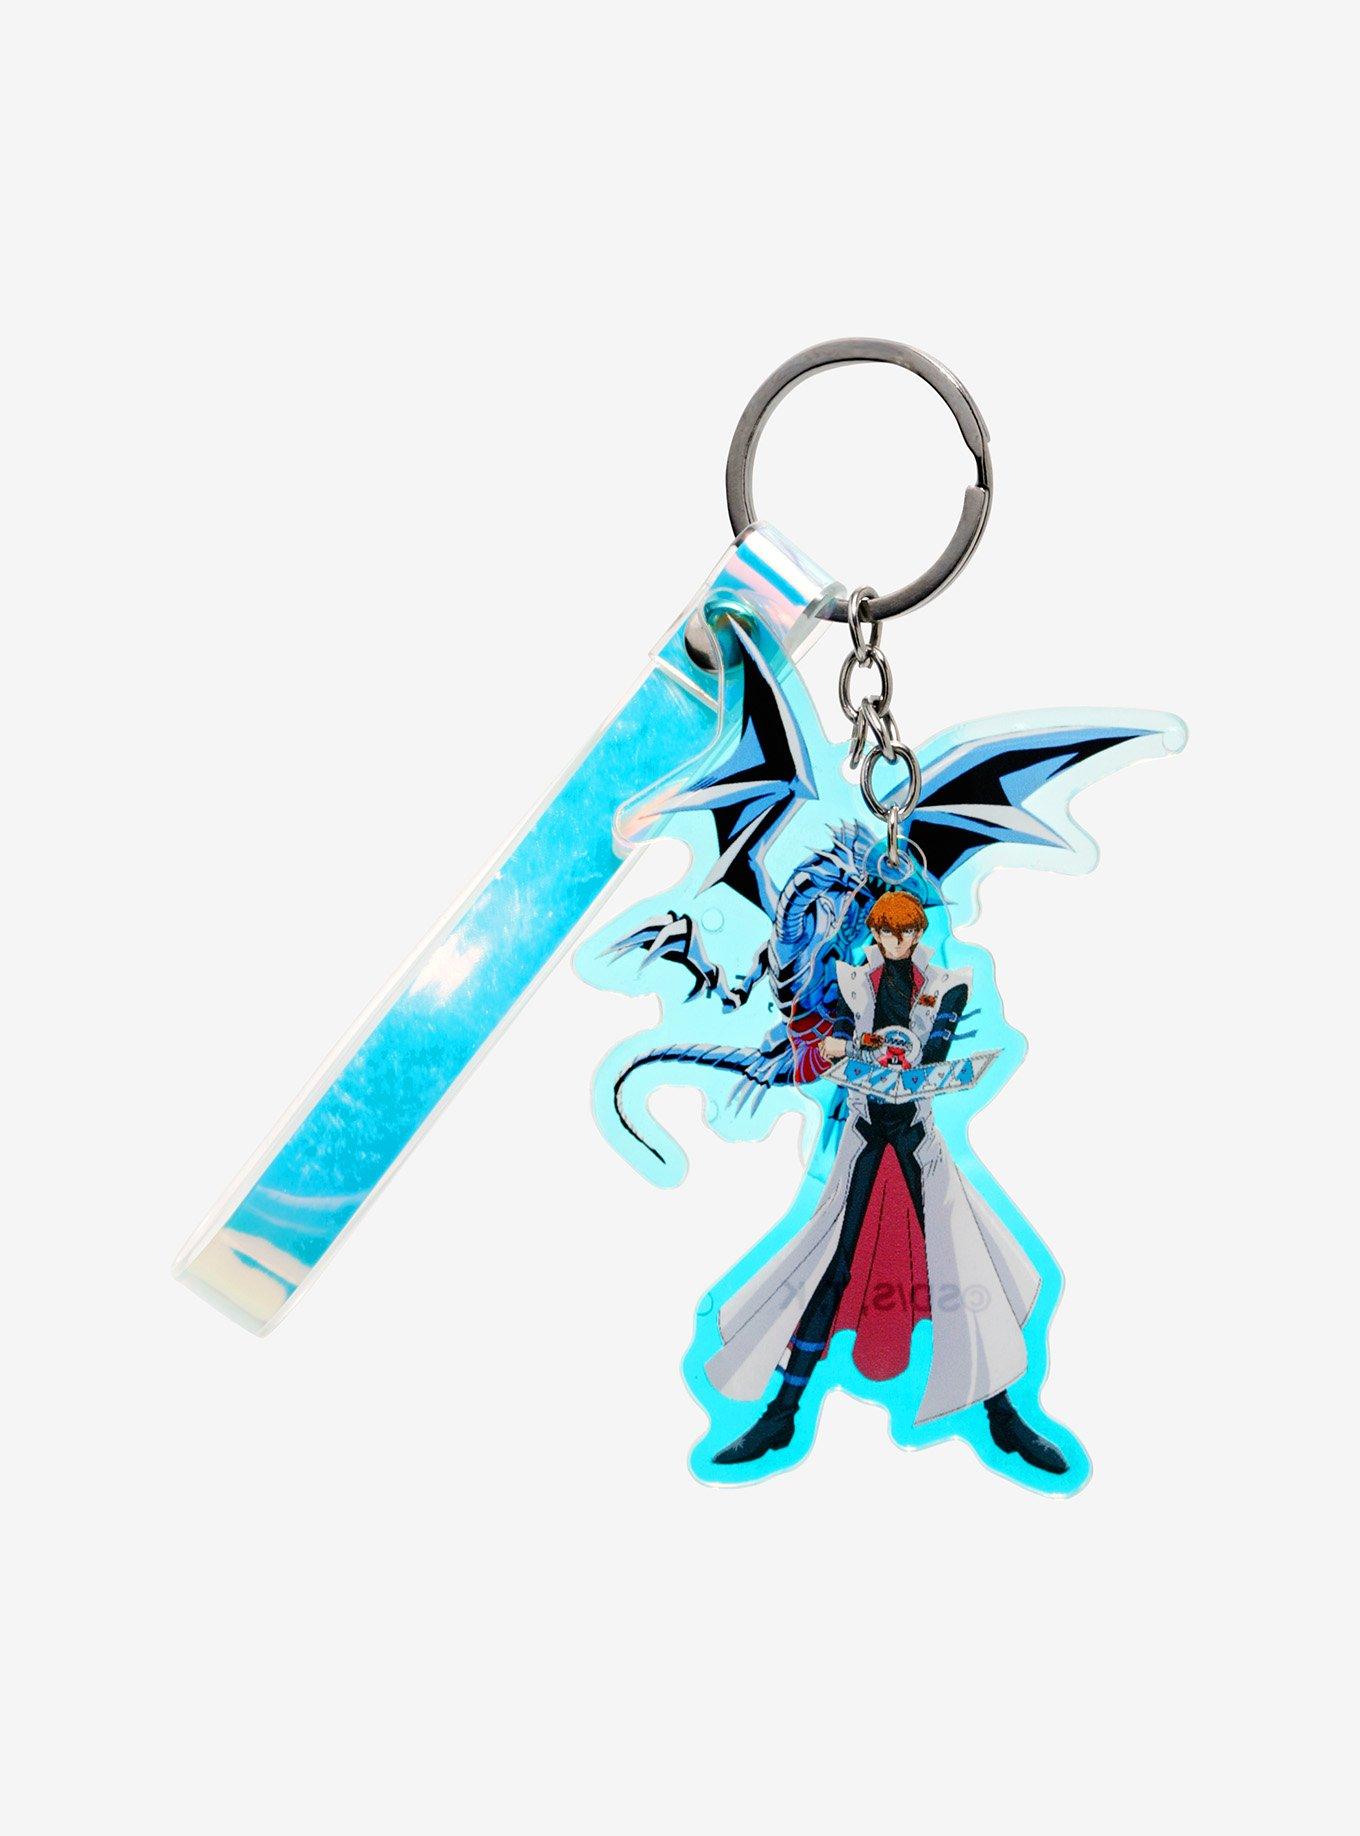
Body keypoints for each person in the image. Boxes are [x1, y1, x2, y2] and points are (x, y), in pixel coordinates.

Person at [708, 890, 1067, 1474]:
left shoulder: (946, 984)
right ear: (875, 933)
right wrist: (839, 1042)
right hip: (864, 1139)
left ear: (919, 932)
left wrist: (880, 1054)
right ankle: (782, 1414)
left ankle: (1003, 1415)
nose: (898, 941)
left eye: (908, 931)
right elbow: (816, 1039)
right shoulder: (848, 982)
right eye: (888, 932)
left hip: (917, 1139)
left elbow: (935, 1047)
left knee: (961, 1269)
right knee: (830, 1268)